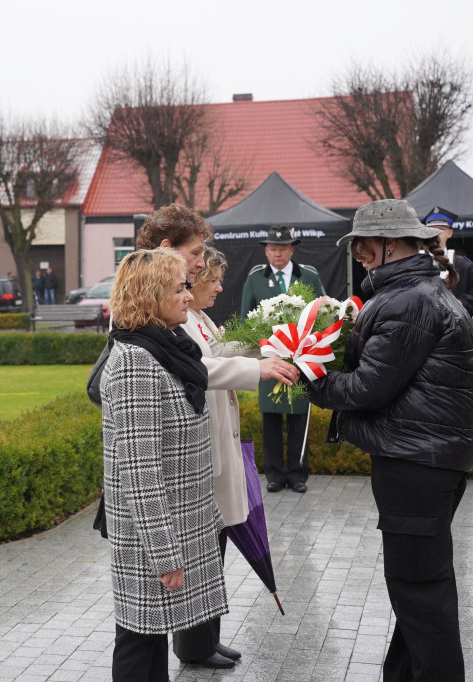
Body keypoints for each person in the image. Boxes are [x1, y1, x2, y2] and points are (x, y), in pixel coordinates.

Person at [306, 198, 473, 682]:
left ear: (390, 243)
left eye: (363, 247)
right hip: (427, 460)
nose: (359, 255)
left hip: (417, 465)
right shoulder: (418, 291)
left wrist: (308, 376)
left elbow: (368, 387)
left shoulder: (409, 300)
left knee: (419, 591)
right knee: (417, 587)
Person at [101, 247, 227, 682]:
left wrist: (208, 513)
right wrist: (164, 553)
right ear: (150, 296)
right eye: (179, 288)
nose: (188, 296)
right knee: (139, 639)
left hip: (175, 522)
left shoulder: (168, 348)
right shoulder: (137, 361)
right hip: (150, 535)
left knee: (151, 634)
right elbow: (140, 471)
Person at [174, 244, 299, 669]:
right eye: (215, 278)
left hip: (219, 440)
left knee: (217, 544)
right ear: (197, 276)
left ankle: (208, 635)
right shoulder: (181, 319)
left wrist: (266, 347)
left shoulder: (200, 318)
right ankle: (193, 645)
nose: (221, 287)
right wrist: (258, 366)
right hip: (202, 443)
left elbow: (222, 352)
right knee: (202, 549)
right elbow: (204, 367)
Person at [239, 226, 326, 494]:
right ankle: (275, 475)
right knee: (272, 419)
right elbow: (245, 320)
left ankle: (298, 475)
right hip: (270, 358)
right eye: (273, 249)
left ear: (292, 250)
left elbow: (322, 312)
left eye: (283, 248)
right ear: (266, 251)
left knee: (299, 415)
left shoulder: (308, 275)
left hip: (300, 358)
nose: (278, 253)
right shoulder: (255, 277)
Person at [423, 207, 473, 315]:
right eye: (431, 229)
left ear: (450, 233)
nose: (435, 233)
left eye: (440, 230)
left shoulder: (463, 265)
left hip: (455, 329)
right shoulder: (413, 262)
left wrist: (461, 303)